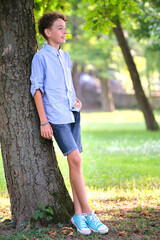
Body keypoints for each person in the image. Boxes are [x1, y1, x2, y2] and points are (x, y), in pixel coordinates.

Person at [30, 11, 108, 235]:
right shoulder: (40, 57)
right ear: (48, 32)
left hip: (72, 113)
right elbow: (37, 89)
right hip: (55, 117)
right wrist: (44, 121)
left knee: (75, 164)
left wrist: (75, 98)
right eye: (60, 28)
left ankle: (77, 215)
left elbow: (66, 84)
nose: (65, 31)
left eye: (65, 27)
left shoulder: (66, 56)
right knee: (76, 159)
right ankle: (89, 212)